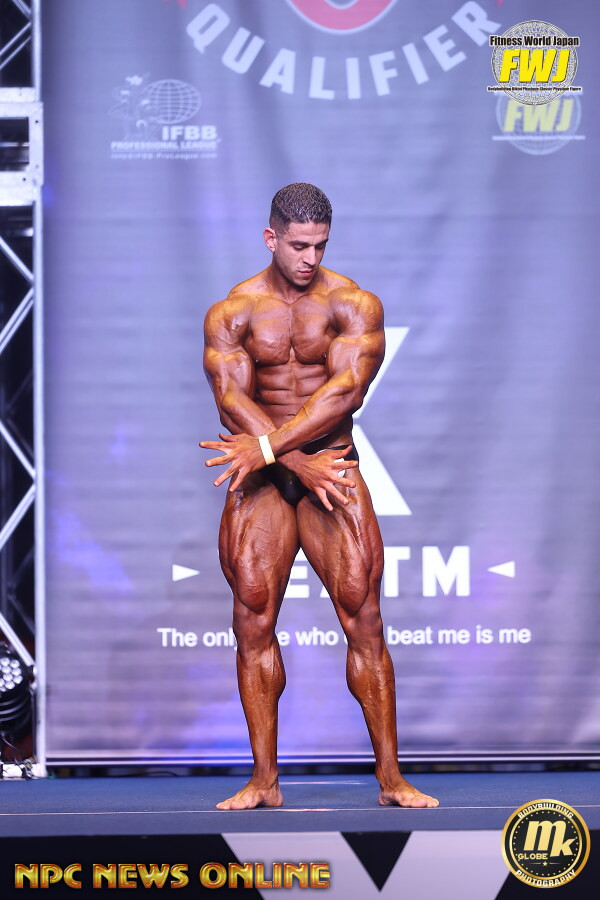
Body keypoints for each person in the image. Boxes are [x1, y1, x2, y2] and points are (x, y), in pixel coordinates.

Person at [200, 183, 438, 810]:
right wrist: (290, 460)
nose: (309, 258)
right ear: (271, 237)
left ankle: (391, 780)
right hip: (271, 476)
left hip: (329, 467)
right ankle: (264, 781)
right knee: (252, 620)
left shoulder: (352, 304)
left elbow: (345, 394)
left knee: (364, 619)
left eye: (320, 246)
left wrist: (278, 451)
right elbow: (230, 398)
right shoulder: (233, 312)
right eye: (298, 245)